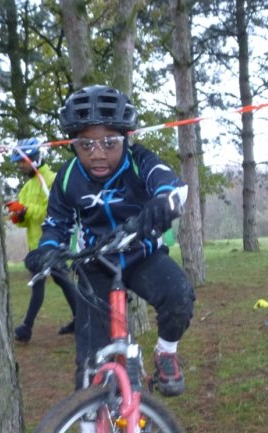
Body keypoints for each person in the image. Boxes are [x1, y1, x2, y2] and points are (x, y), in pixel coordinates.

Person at [26, 85, 195, 399]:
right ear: (72, 144)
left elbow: (173, 187)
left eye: (109, 142)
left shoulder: (139, 160)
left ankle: (166, 353)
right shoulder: (67, 177)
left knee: (179, 297)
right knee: (90, 360)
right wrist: (45, 251)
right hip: (96, 264)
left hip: (141, 253)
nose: (97, 153)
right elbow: (55, 224)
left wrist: (162, 203)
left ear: (126, 138)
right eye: (85, 144)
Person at [6, 137, 78, 343]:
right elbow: (25, 222)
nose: (20, 167)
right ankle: (80, 320)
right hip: (36, 246)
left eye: (22, 162)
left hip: (53, 243)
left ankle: (27, 328)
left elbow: (53, 212)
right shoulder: (27, 188)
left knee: (55, 282)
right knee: (61, 282)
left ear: (35, 159)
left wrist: (26, 210)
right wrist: (17, 215)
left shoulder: (53, 180)